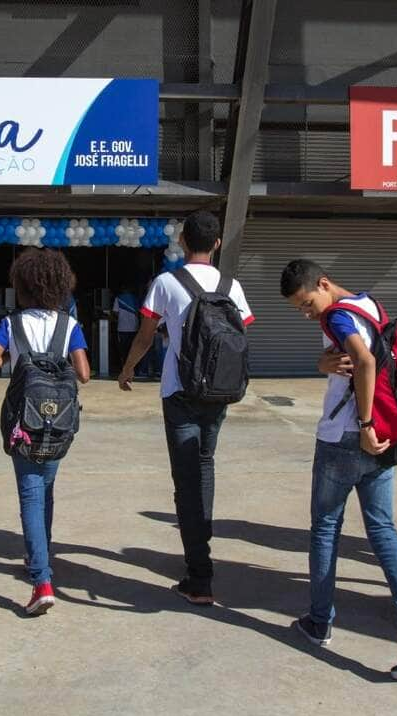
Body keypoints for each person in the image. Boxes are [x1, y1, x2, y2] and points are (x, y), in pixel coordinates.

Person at [279, 259, 397, 681]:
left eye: (307, 302)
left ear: (324, 284)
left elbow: (365, 362)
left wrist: (365, 424)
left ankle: (319, 621)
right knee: (383, 529)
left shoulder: (336, 317)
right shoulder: (370, 305)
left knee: (326, 527)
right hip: (386, 436)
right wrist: (323, 365)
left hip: (347, 437)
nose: (307, 312)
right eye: (299, 309)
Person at [116, 210, 254, 605]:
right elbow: (240, 334)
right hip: (219, 394)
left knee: (186, 480)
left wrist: (127, 370)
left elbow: (145, 335)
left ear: (181, 242)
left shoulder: (165, 282)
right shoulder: (232, 285)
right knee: (205, 466)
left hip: (179, 392)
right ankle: (200, 555)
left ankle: (200, 574)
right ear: (217, 244)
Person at [0, 249, 90, 615]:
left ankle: (41, 579)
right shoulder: (69, 325)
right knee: (46, 489)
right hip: (58, 424)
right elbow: (85, 373)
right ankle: (41, 555)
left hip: (23, 424)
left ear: (22, 286)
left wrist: (18, 356)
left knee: (30, 495)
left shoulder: (12, 324)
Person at [112, 285, 142, 377]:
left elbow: (115, 312)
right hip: (134, 328)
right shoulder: (136, 299)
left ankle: (125, 370)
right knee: (133, 350)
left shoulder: (119, 298)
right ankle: (134, 370)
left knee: (124, 351)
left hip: (122, 328)